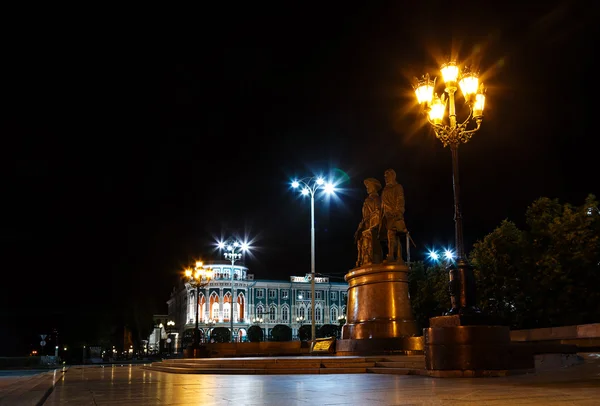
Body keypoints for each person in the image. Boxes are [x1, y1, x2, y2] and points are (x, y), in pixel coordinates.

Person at [379, 168, 407, 263]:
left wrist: (399, 212)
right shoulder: (385, 190)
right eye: (385, 177)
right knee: (392, 236)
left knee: (393, 235)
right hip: (386, 216)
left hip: (394, 215)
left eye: (388, 176)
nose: (386, 178)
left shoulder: (397, 187)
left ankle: (392, 255)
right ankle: (397, 257)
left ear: (393, 176)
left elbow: (400, 200)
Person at [354, 177, 383, 267]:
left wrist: (373, 225)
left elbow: (378, 214)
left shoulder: (377, 199)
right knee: (359, 237)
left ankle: (369, 258)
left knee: (367, 235)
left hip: (374, 227)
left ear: (374, 187)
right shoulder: (367, 200)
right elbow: (365, 216)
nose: (367, 188)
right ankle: (361, 260)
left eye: (369, 186)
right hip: (366, 225)